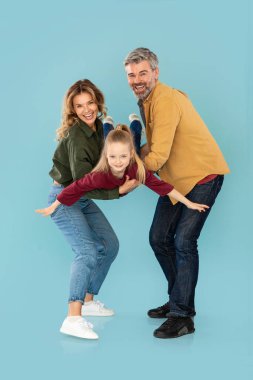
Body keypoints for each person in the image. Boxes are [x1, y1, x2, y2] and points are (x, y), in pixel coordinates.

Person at [124, 47, 230, 339]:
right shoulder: (147, 101)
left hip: (203, 175)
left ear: (155, 73)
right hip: (177, 178)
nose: (137, 79)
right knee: (159, 238)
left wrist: (128, 179)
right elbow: (155, 147)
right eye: (132, 75)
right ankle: (177, 300)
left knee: (184, 240)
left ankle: (182, 316)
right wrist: (126, 156)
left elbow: (156, 159)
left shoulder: (166, 99)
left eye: (143, 73)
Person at [39, 79, 137, 340]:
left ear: (98, 102)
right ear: (73, 110)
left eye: (90, 102)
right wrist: (118, 191)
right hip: (64, 196)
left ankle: (89, 300)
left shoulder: (97, 130)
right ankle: (73, 317)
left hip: (79, 196)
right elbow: (83, 184)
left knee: (110, 244)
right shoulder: (77, 137)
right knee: (86, 251)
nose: (86, 109)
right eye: (79, 106)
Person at [36, 125, 209, 217]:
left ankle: (135, 123)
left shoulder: (135, 168)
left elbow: (163, 187)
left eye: (123, 157)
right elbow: (75, 188)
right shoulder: (99, 176)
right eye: (113, 157)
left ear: (131, 156)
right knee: (107, 133)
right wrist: (53, 205)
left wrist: (189, 203)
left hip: (130, 147)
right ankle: (108, 126)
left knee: (133, 134)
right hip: (107, 161)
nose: (118, 162)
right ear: (106, 156)